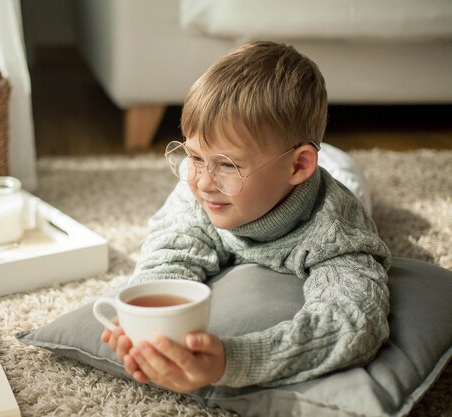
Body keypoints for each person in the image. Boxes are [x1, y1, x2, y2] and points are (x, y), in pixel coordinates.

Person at [100, 41, 391, 393]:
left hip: (335, 170)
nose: (203, 183)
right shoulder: (196, 192)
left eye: (227, 164)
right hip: (293, 161)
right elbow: (166, 259)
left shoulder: (335, 229)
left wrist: (231, 360)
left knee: (347, 173)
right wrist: (148, 330)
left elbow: (354, 322)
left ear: (298, 165)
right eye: (193, 157)